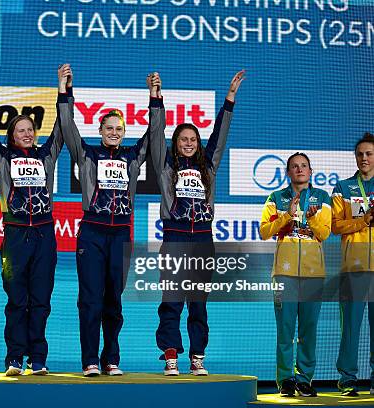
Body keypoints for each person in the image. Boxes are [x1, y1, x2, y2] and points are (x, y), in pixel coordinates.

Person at [0, 65, 72, 376]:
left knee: (41, 300)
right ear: (11, 136)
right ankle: (14, 358)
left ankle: (37, 358)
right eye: (20, 130)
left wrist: (63, 88)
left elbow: (64, 127)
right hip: (14, 236)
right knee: (16, 300)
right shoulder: (1, 156)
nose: (26, 133)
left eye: (30, 129)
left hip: (44, 235)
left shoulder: (47, 155)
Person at [57, 69, 163, 377]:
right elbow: (67, 126)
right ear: (100, 129)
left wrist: (154, 96)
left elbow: (154, 134)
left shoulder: (132, 158)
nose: (114, 132)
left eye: (119, 128)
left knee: (113, 299)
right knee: (90, 299)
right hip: (92, 232)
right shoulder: (86, 154)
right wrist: (64, 91)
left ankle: (110, 358)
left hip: (120, 234)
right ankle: (90, 359)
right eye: (109, 127)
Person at [150, 71, 244, 376]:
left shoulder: (209, 166)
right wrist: (156, 98)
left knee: (198, 304)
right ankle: (171, 354)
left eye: (193, 139)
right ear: (175, 143)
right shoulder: (166, 165)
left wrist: (229, 99)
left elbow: (221, 134)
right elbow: (155, 133)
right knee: (172, 301)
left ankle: (197, 356)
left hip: (203, 240)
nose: (188, 143)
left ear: (197, 143)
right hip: (175, 239)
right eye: (183, 139)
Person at [260, 152, 331, 397]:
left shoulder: (322, 198)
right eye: (294, 167)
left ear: (310, 172)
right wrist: (286, 217)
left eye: (303, 166)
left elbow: (324, 234)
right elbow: (264, 232)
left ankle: (304, 379)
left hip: (314, 274)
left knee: (308, 330)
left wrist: (310, 220)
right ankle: (285, 380)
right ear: (288, 173)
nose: (299, 170)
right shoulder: (276, 197)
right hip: (284, 274)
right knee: (285, 329)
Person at [332, 132, 374, 396]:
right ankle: (348, 379)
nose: (364, 158)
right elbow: (335, 226)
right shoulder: (343, 187)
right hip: (354, 267)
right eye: (360, 154)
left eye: (369, 154)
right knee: (350, 327)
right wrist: (363, 221)